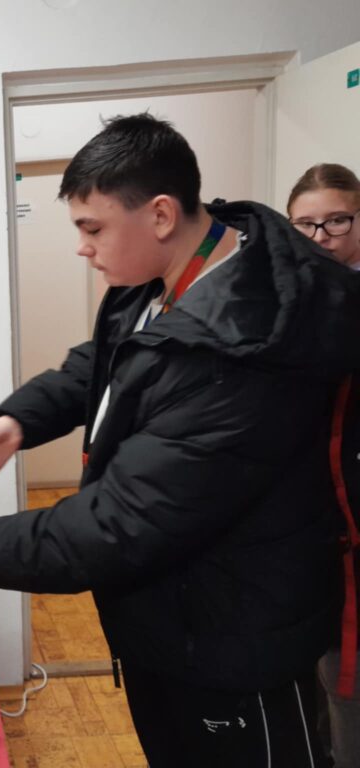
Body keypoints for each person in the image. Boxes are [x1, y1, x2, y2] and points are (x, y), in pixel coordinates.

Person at [0, 114, 360, 767]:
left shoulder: (243, 348)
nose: (82, 247)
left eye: (92, 228)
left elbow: (124, 520)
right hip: (169, 621)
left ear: (160, 214)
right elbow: (107, 363)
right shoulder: (157, 281)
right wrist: (23, 419)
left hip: (234, 638)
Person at [288, 162, 360, 768]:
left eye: (336, 221)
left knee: (346, 674)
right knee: (312, 665)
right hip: (302, 514)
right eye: (305, 224)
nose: (321, 237)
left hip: (350, 509)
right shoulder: (288, 298)